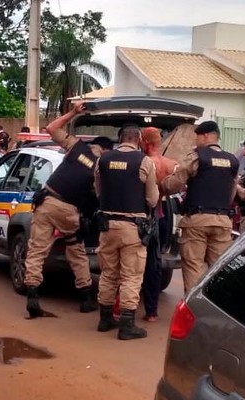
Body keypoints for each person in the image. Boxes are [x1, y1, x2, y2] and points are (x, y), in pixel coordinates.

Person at [23, 102, 114, 318]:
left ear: (94, 144)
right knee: (76, 252)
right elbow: (98, 198)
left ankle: (33, 296)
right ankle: (85, 298)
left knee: (37, 250)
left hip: (46, 202)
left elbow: (52, 128)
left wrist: (73, 113)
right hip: (67, 211)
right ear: (107, 151)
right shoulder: (100, 167)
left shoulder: (77, 147)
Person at [95, 124, 158, 340]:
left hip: (107, 225)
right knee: (131, 277)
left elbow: (98, 190)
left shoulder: (102, 160)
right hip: (133, 228)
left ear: (119, 138)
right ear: (138, 140)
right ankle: (127, 325)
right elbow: (152, 199)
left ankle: (105, 319)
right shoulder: (144, 161)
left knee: (108, 273)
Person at [161, 121, 238, 294]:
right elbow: (232, 192)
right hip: (223, 221)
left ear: (206, 135)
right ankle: (216, 308)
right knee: (218, 269)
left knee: (193, 267)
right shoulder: (232, 160)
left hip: (197, 221)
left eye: (197, 137)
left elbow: (176, 183)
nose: (196, 142)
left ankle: (193, 310)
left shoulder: (197, 157)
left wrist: (163, 183)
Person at [139, 126, 178, 322]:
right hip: (161, 217)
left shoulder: (144, 163)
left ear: (145, 142)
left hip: (142, 217)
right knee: (155, 265)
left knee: (134, 263)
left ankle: (122, 305)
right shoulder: (171, 165)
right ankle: (152, 312)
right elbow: (180, 186)